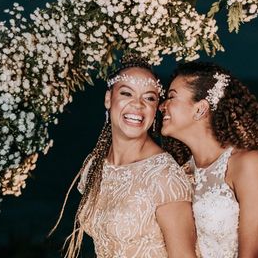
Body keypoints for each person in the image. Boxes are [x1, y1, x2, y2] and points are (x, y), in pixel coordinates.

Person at [50, 58, 197, 258]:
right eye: (127, 93)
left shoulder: (164, 177)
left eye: (149, 98)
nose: (138, 104)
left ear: (155, 110)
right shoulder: (96, 165)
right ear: (108, 99)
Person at [160, 62, 258, 258]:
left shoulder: (248, 164)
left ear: (200, 109)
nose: (162, 105)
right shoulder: (179, 172)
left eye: (171, 97)